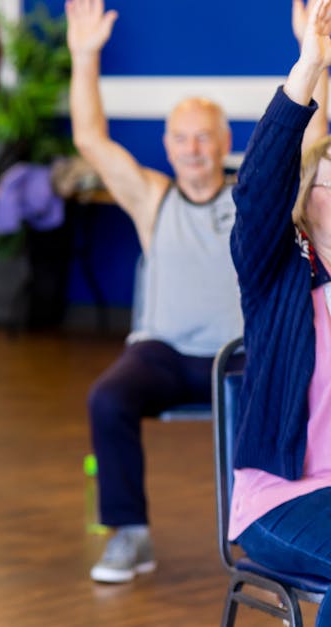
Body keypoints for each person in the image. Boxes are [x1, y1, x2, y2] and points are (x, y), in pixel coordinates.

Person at [66, 0, 244, 584]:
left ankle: (278, 532)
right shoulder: (152, 198)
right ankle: (129, 535)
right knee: (107, 398)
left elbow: (314, 144)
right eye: (182, 139)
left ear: (225, 144)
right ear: (167, 146)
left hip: (239, 356)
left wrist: (316, 62)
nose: (194, 149)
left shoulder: (254, 198)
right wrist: (84, 55)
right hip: (163, 354)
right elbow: (91, 139)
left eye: (205, 138)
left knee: (302, 390)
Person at [228, 0, 331, 623]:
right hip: (281, 501)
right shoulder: (280, 277)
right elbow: (260, 184)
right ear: (308, 197)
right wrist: (310, 65)